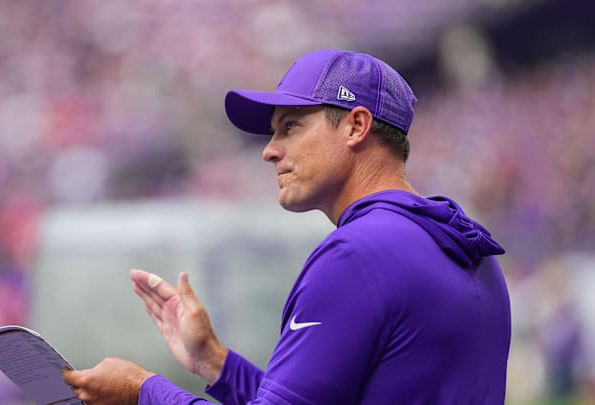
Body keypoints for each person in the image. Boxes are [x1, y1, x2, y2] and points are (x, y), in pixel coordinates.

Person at [63, 49, 511, 404]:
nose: (270, 151)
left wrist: (142, 391)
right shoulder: (467, 247)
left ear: (356, 126)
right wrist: (215, 363)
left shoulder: (356, 254)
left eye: (290, 126)